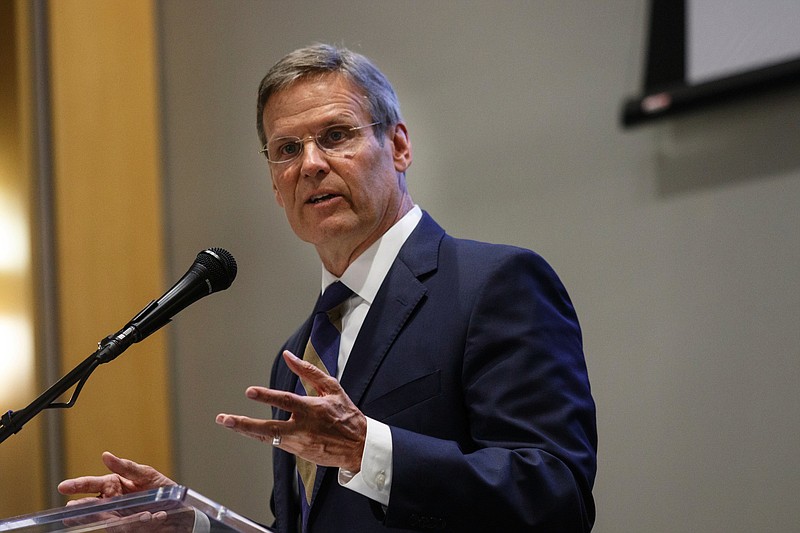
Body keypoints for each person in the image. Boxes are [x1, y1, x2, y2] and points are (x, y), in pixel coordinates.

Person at [58, 43, 597, 532]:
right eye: (286, 150)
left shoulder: (493, 285)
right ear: (274, 182)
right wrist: (185, 526)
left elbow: (555, 495)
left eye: (336, 136)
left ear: (399, 146)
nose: (311, 165)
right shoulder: (296, 355)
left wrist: (370, 450)